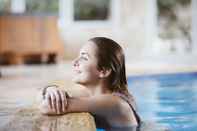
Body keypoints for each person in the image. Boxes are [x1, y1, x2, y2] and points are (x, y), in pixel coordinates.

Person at [39, 37, 141, 131]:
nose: (75, 62)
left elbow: (46, 107)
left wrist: (50, 94)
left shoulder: (114, 103)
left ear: (103, 71)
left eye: (84, 58)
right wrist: (51, 89)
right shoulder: (93, 95)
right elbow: (40, 96)